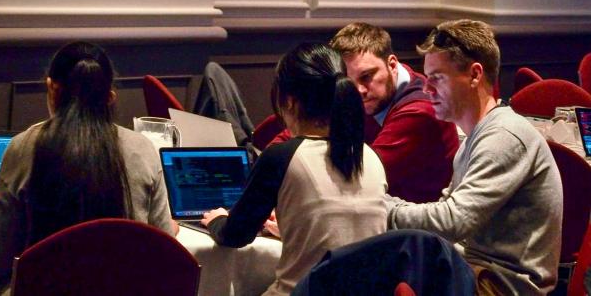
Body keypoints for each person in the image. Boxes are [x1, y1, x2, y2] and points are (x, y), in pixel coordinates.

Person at [385, 19, 562, 295]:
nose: (427, 90)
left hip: (502, 285)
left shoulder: (504, 136)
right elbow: (449, 218)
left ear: (475, 74)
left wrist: (378, 208)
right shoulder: (476, 137)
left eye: (437, 78)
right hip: (475, 270)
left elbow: (451, 222)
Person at [201, 43, 388, 295]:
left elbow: (236, 235)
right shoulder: (370, 156)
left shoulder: (282, 157)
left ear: (289, 101)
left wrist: (217, 221)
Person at [0, 42, 174, 295]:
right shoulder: (142, 150)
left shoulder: (22, 148)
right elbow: (162, 253)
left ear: (52, 89)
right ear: (110, 97)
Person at [329, 22, 459, 203]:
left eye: (367, 76)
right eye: (349, 82)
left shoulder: (420, 112)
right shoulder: (371, 94)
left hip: (414, 226)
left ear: (392, 64)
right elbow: (306, 127)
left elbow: (360, 178)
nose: (359, 90)